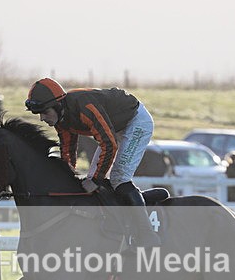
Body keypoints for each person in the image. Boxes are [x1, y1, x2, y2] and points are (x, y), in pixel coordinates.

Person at [25, 77, 160, 247]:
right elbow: (68, 151)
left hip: (135, 122)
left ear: (58, 105)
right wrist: (67, 176)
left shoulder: (85, 108)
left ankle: (146, 232)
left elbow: (109, 145)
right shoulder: (61, 120)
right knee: (92, 177)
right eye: (39, 114)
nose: (42, 118)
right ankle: (113, 224)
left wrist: (96, 180)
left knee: (118, 178)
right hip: (115, 127)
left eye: (44, 112)